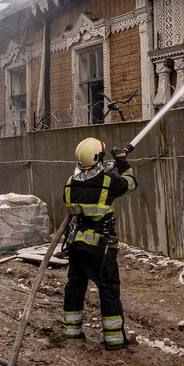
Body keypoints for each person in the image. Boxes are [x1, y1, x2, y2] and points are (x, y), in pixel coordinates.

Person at [60, 138, 137, 350]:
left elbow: (83, 193)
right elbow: (131, 183)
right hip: (101, 247)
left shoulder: (69, 183)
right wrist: (121, 163)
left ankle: (71, 329)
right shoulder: (108, 182)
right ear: (98, 157)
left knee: (75, 285)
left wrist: (105, 171)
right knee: (108, 289)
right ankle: (114, 339)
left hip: (76, 244)